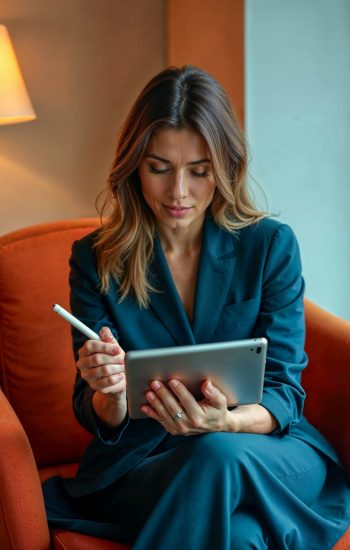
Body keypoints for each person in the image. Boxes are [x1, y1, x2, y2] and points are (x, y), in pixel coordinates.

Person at [43, 65, 350, 549]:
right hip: (146, 464)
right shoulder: (96, 259)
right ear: (133, 166)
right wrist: (112, 393)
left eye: (199, 171)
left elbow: (285, 393)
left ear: (224, 167)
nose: (178, 192)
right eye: (159, 168)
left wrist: (225, 422)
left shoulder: (270, 246)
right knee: (243, 534)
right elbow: (96, 412)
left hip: (265, 448)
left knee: (217, 453)